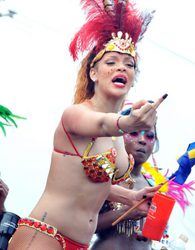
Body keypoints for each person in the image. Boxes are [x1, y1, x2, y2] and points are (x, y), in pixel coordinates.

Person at [8, 1, 165, 249]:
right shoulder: (77, 115)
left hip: (80, 244)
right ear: (93, 72)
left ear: (133, 78)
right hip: (45, 236)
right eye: (111, 62)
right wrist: (128, 122)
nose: (121, 67)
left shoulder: (117, 136)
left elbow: (97, 184)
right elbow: (104, 124)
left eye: (129, 64)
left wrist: (132, 197)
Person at [91, 123, 159, 250]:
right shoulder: (103, 174)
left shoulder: (153, 186)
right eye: (133, 133)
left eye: (149, 136)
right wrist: (126, 212)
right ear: (118, 138)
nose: (142, 140)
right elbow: (82, 224)